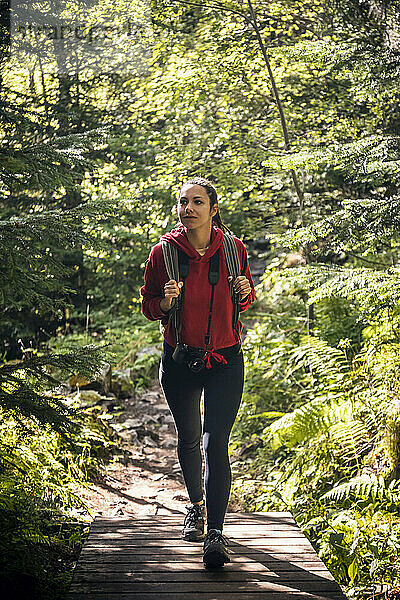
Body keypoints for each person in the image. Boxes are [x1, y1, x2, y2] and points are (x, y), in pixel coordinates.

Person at [141, 176, 255, 568]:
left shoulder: (235, 249)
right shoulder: (163, 253)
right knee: (189, 438)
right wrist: (163, 300)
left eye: (197, 202)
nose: (188, 208)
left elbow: (247, 298)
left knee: (214, 443)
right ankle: (195, 506)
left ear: (213, 209)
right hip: (180, 360)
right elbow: (149, 306)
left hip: (225, 359)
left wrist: (245, 290)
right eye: (183, 202)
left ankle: (216, 534)